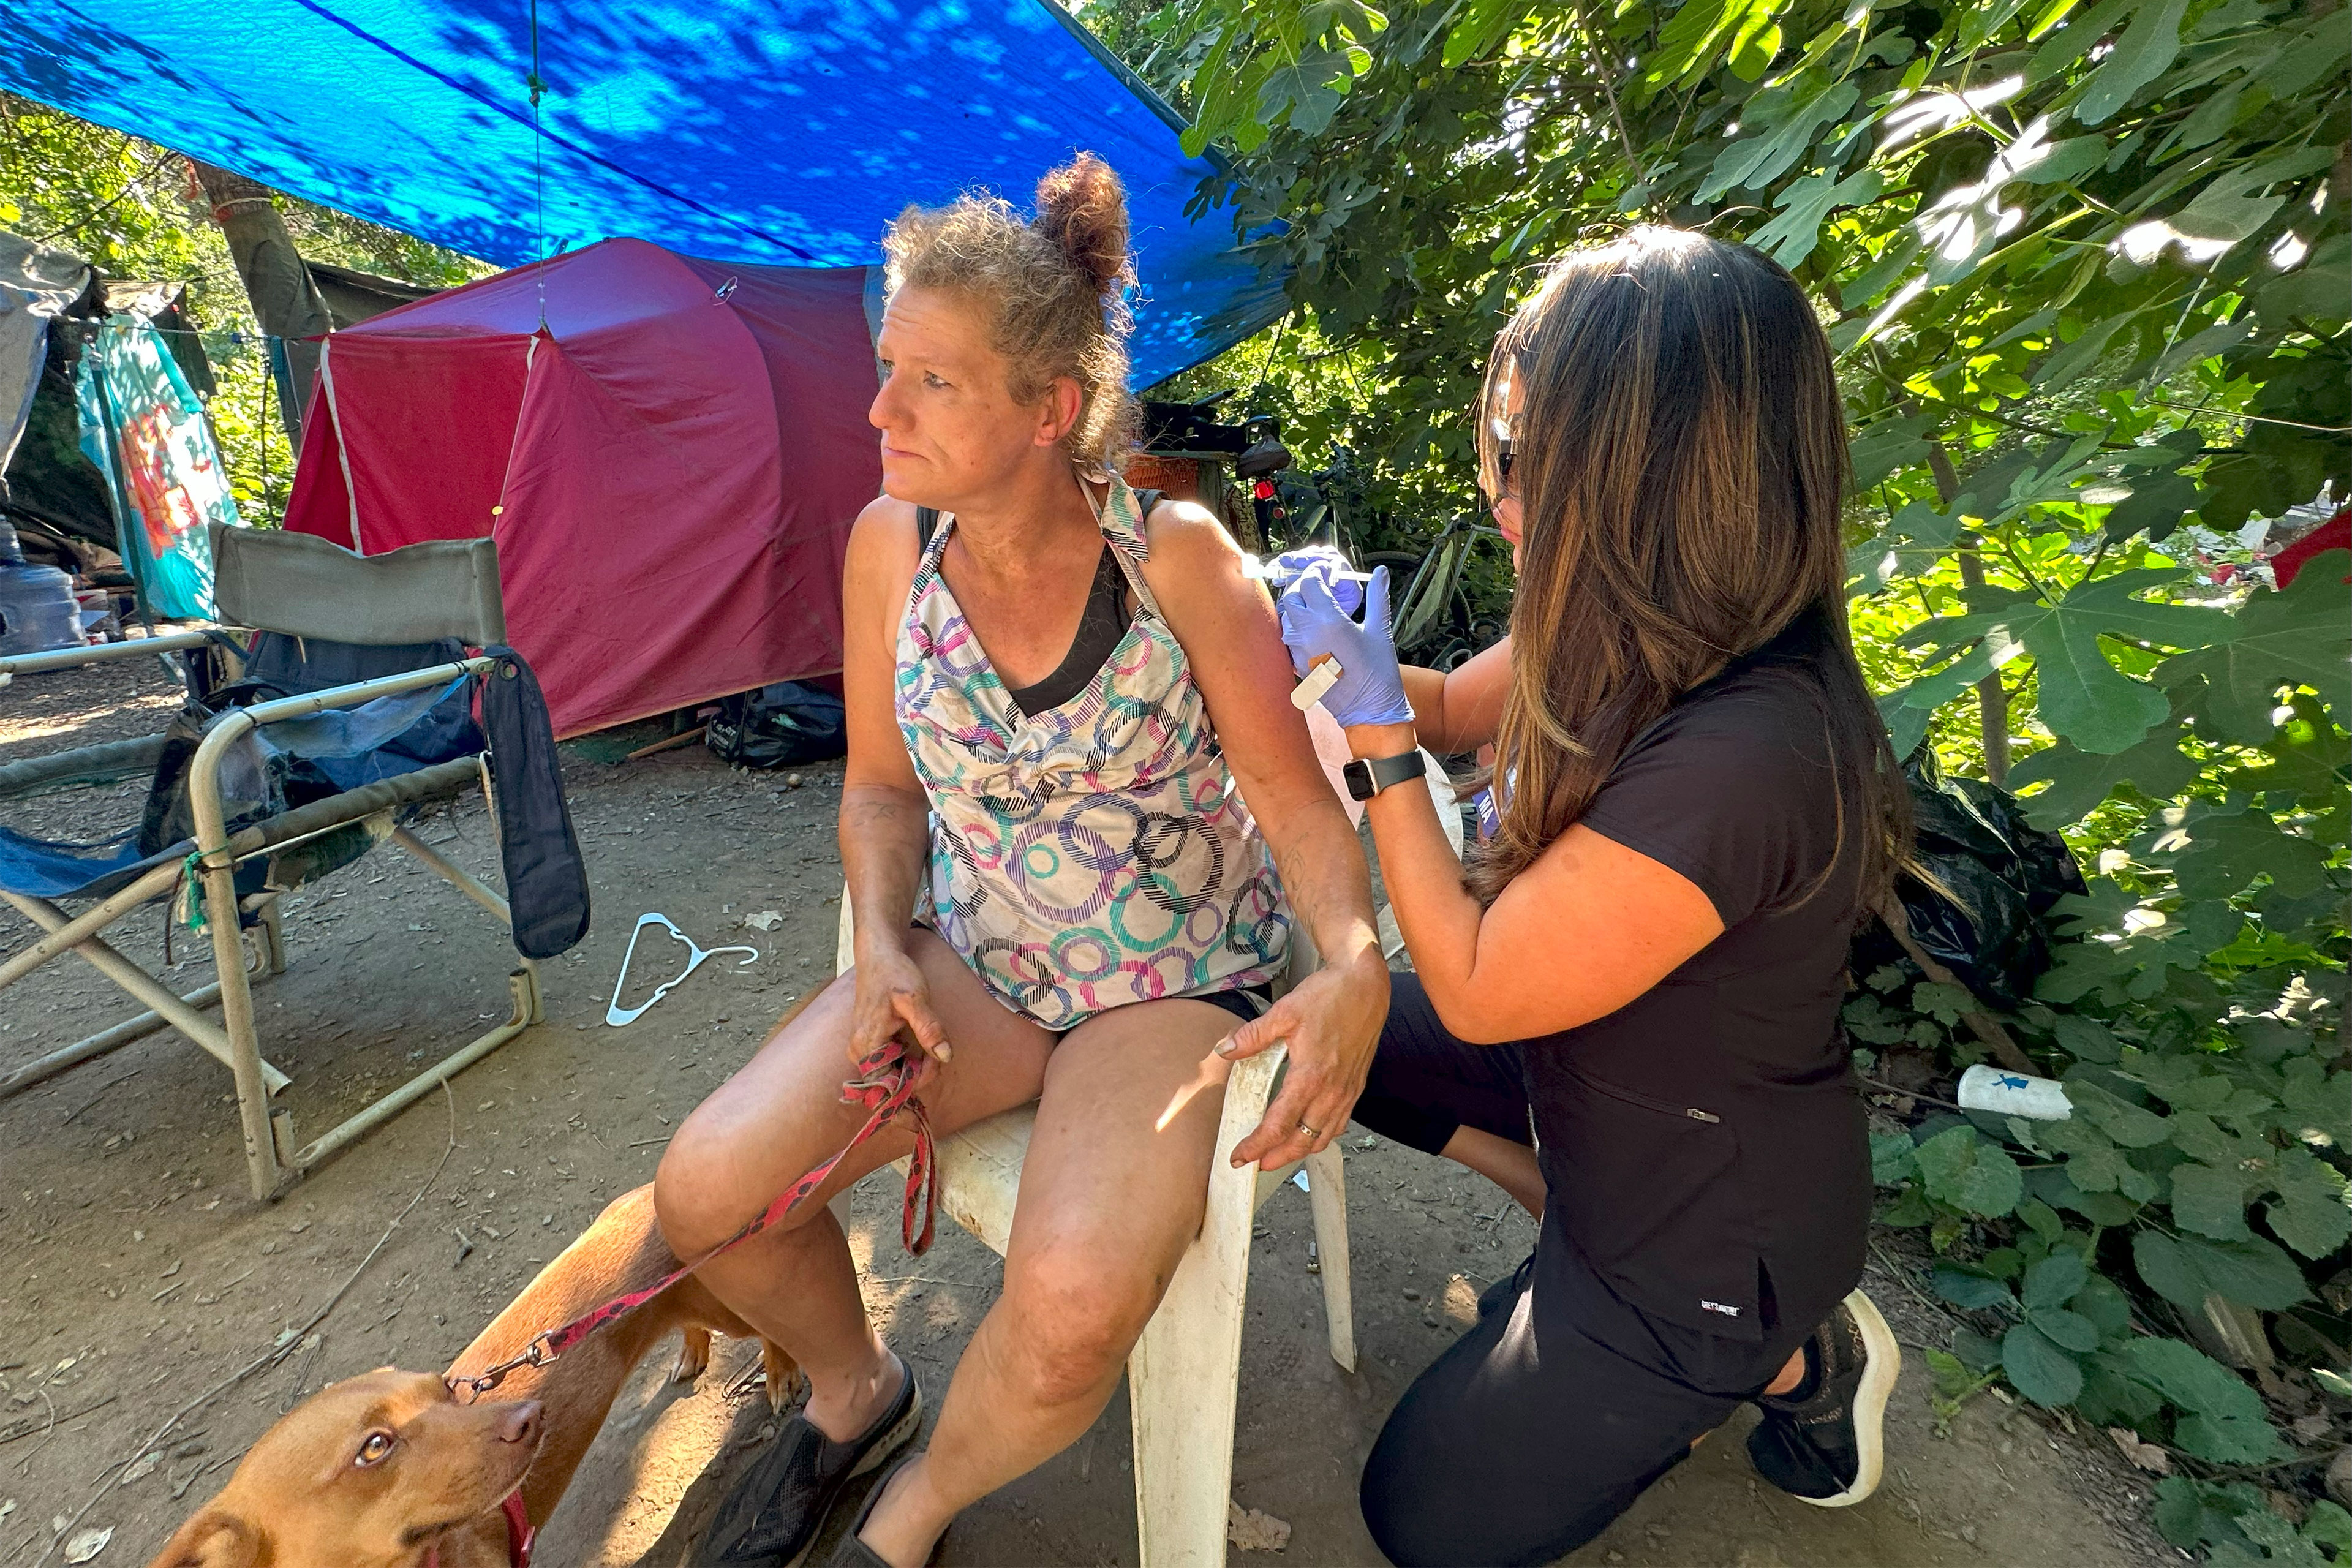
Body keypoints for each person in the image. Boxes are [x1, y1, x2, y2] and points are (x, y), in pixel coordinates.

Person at [655, 154, 1388, 1568]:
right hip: (978, 964)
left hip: (1168, 986)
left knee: (1065, 1309)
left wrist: (1355, 957)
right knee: (707, 1193)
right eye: (885, 365)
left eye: (930, 380)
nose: (877, 407)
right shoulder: (891, 549)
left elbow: (1297, 805)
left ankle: (909, 1512)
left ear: (1050, 410)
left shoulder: (1177, 559)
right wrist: (878, 938)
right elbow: (877, 790)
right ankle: (860, 1389)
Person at [1252, 227, 1909, 1568]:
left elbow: (1484, 980)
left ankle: (1790, 1361)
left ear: (1669, 478)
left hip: (1707, 1213)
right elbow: (1439, 708)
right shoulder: (1609, 615)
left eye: (1535, 461)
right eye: (1510, 446)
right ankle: (1563, 1218)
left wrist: (1373, 744)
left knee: (1423, 1516)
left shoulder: (1755, 748)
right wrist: (1336, 640)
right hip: (1589, 1091)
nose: (1503, 496)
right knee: (1334, 1034)